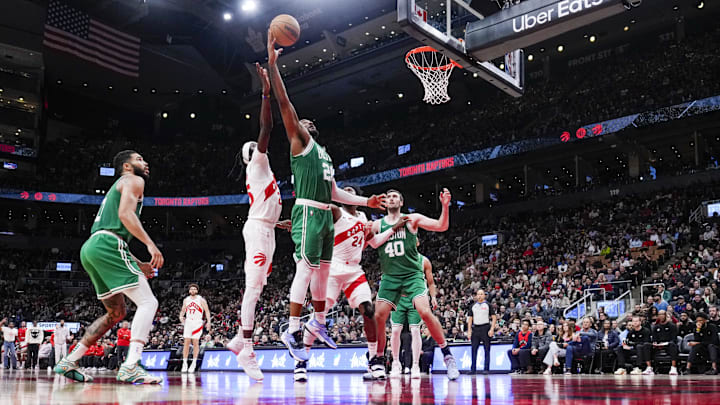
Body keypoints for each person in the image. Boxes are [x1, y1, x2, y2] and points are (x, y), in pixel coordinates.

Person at [265, 28, 387, 365]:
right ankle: (291, 328)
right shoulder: (300, 144)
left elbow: (335, 192)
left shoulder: (324, 153)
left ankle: (317, 323)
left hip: (322, 214)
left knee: (319, 272)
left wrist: (367, 203)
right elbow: (285, 104)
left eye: (307, 121)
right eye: (301, 122)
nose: (304, 121)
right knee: (306, 269)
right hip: (309, 211)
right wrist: (274, 67)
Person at [54, 150, 163, 384]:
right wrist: (150, 245)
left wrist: (137, 263)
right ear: (126, 166)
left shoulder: (119, 184)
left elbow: (113, 231)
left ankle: (70, 360)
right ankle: (132, 365)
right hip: (108, 244)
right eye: (139, 159)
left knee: (117, 313)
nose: (145, 162)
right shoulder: (134, 180)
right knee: (148, 302)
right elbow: (124, 216)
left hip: (93, 247)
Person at [301, 188, 401, 382]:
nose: (346, 194)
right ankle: (301, 362)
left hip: (354, 270)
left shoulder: (363, 217)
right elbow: (321, 207)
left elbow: (373, 243)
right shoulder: (337, 211)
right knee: (318, 318)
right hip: (333, 268)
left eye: (350, 191)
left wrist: (391, 230)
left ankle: (375, 359)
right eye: (343, 192)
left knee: (369, 310)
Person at [226, 63, 287, 382]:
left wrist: (279, 224)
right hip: (258, 230)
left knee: (259, 286)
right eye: (255, 146)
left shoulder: (266, 173)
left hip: (266, 229)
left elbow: (263, 206)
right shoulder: (259, 163)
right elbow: (267, 128)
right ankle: (246, 347)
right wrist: (266, 92)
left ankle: (239, 337)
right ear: (253, 154)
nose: (260, 145)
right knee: (252, 287)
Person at [369, 189, 460, 380]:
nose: (392, 198)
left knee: (425, 312)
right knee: (378, 317)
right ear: (384, 203)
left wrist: (445, 206)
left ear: (401, 202)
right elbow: (367, 244)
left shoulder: (412, 219)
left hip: (411, 276)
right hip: (390, 277)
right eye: (389, 196)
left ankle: (447, 356)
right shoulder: (377, 225)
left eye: (395, 196)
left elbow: (441, 226)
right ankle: (379, 361)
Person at [389, 249, 437, 378]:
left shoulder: (424, 261)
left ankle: (415, 365)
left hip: (416, 298)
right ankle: (395, 363)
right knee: (395, 331)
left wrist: (433, 297)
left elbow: (431, 282)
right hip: (399, 299)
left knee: (415, 331)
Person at [179, 283, 211, 373]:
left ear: (197, 290)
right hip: (188, 321)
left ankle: (194, 363)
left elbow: (207, 311)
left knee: (195, 342)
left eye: (194, 289)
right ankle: (184, 363)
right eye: (191, 289)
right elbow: (182, 311)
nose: (193, 290)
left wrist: (209, 322)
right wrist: (181, 317)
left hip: (197, 322)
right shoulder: (186, 300)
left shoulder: (201, 299)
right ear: (189, 291)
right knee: (186, 342)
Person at [467, 289, 497, 375]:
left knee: (486, 349)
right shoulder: (473, 306)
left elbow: (494, 317)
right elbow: (470, 319)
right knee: (474, 349)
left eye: (481, 294)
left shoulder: (488, 305)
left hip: (485, 327)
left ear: (484, 295)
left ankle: (486, 369)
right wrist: (469, 330)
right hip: (475, 328)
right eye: (478, 294)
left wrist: (492, 329)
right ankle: (473, 369)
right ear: (476, 296)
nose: (479, 296)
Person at [649, 310, 679, 375]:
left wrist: (666, 343)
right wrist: (655, 343)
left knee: (673, 345)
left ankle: (673, 367)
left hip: (668, 344)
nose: (661, 316)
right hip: (659, 345)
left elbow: (674, 339)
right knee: (647, 346)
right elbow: (654, 338)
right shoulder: (656, 327)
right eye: (659, 314)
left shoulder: (672, 326)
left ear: (665, 315)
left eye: (662, 314)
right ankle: (649, 367)